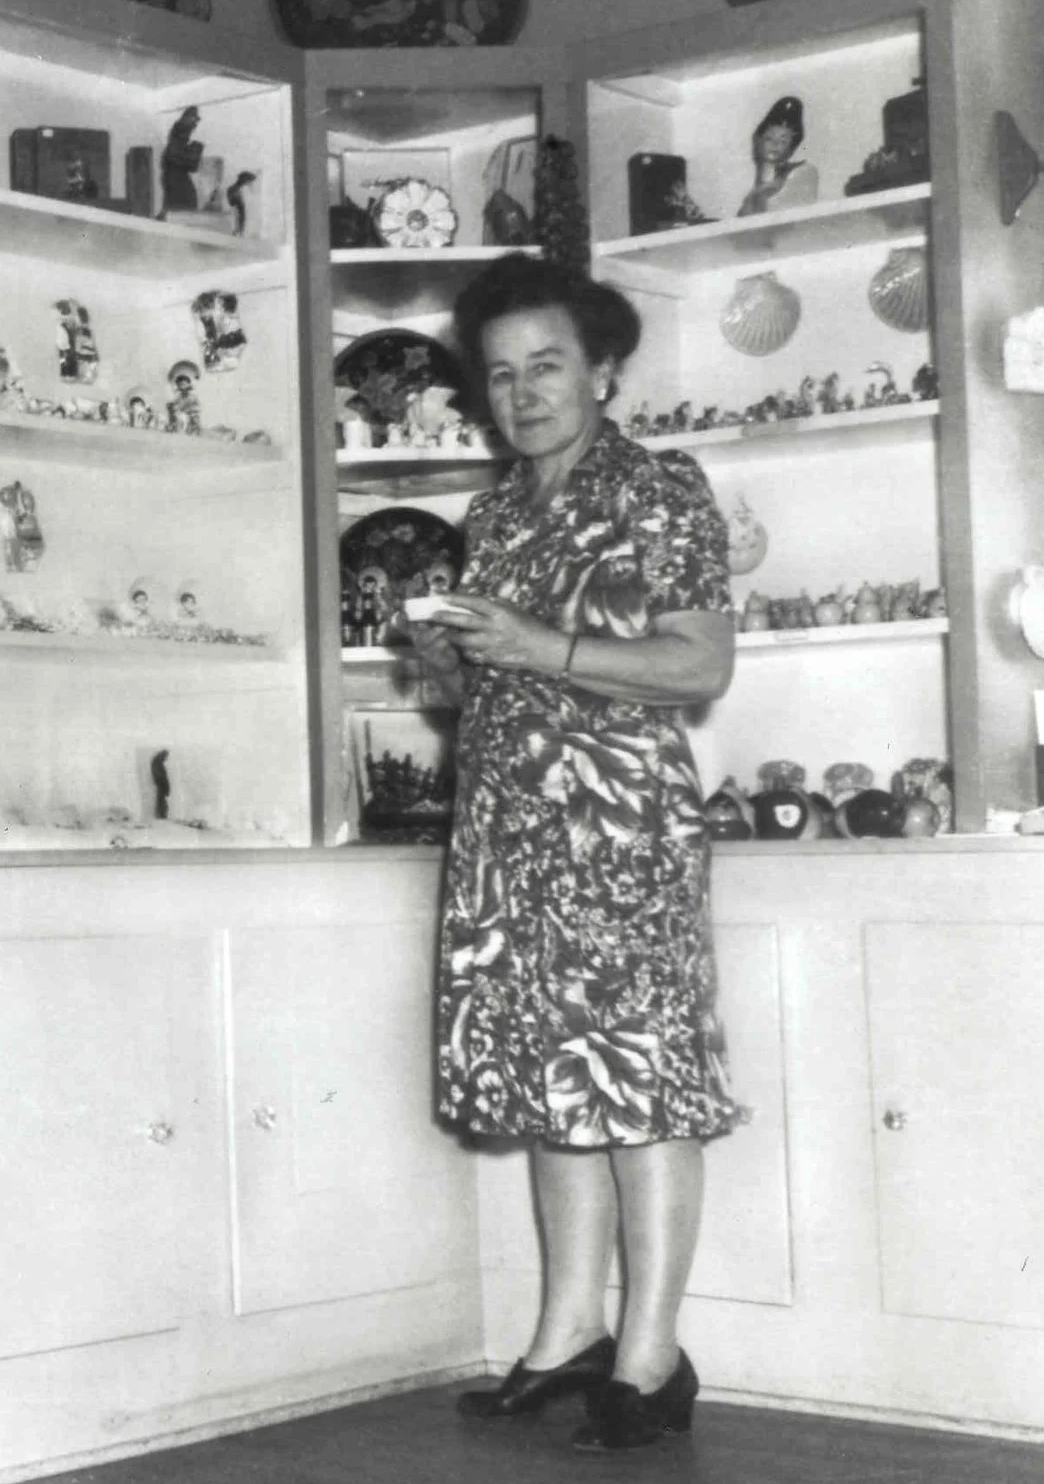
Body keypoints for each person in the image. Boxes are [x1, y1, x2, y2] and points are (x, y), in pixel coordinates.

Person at [406, 255, 738, 1453]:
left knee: (637, 1080)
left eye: (546, 365)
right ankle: (565, 1333)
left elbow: (698, 662)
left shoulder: (659, 488)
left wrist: (538, 644)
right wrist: (447, 663)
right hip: (508, 826)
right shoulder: (492, 516)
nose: (523, 392)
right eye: (500, 374)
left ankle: (650, 1355)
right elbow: (494, 687)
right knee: (552, 1077)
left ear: (601, 369)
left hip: (618, 828)